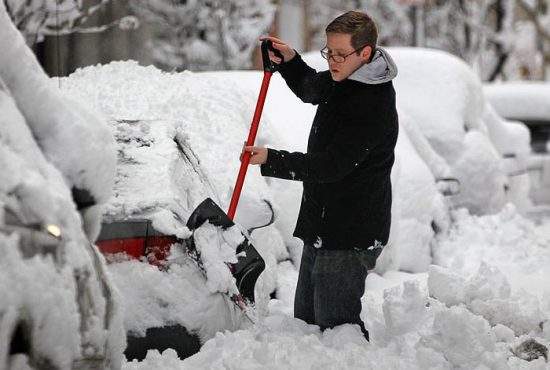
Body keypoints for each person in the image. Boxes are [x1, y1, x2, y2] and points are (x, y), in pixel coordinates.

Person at [243, 10, 398, 341]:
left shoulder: (372, 104)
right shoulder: (347, 76)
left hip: (349, 235)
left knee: (337, 332)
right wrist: (289, 61)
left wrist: (272, 159)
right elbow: (312, 88)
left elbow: (330, 166)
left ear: (365, 53)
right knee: (307, 326)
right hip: (324, 226)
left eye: (340, 54)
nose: (332, 61)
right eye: (329, 52)